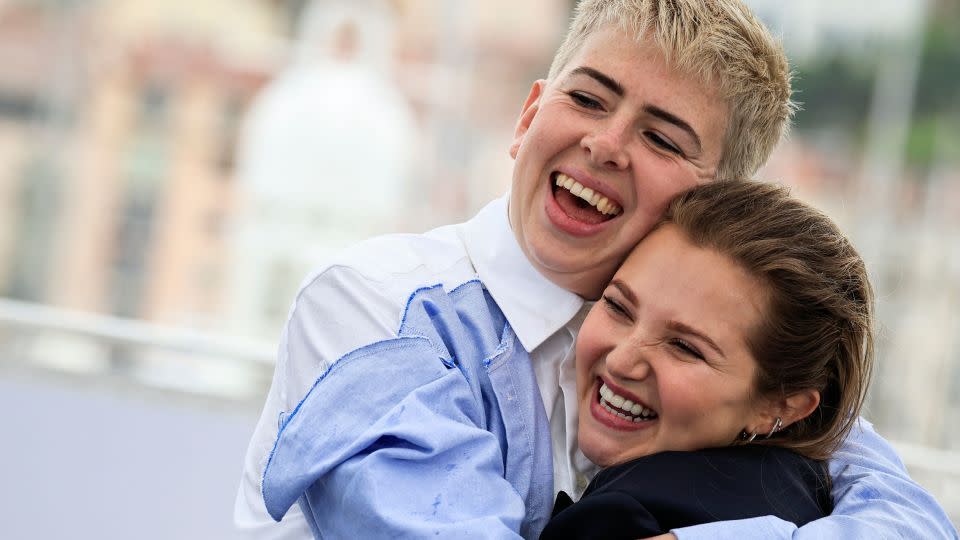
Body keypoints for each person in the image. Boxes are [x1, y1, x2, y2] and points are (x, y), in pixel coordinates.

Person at [236, 1, 957, 538]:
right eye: (586, 99)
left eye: (660, 137)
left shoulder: (748, 360)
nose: (606, 143)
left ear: (712, 207)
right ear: (528, 118)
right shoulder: (375, 306)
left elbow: (908, 520)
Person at [541, 180, 869, 538]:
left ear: (780, 406)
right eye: (618, 306)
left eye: (685, 347)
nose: (622, 361)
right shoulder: (817, 492)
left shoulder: (624, 515)